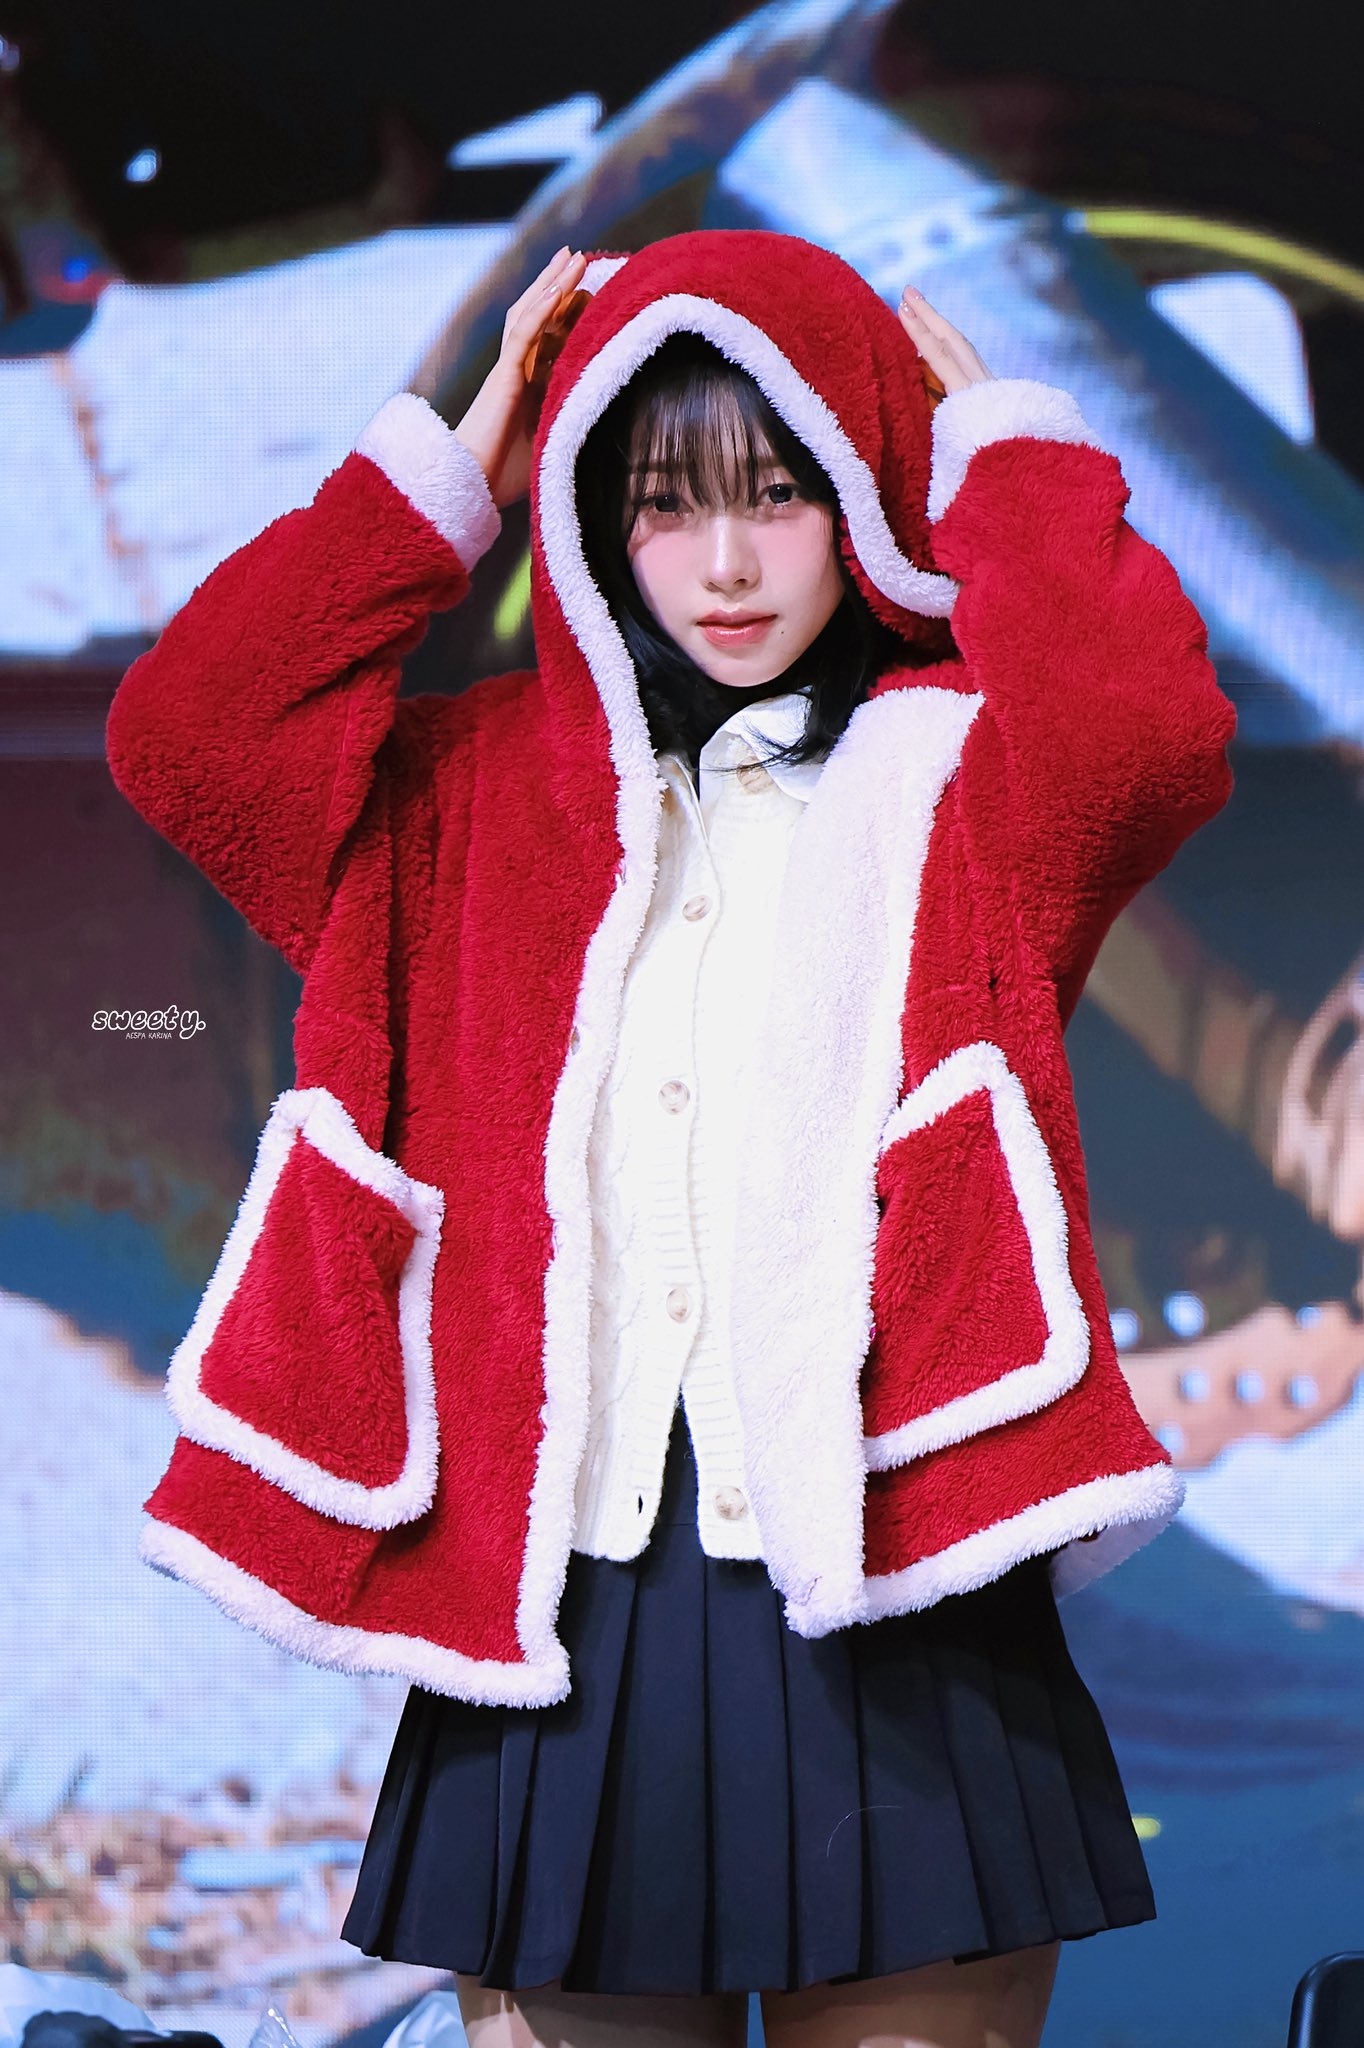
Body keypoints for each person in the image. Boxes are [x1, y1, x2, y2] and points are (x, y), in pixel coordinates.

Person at [105, 230, 1237, 2048]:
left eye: (779, 492)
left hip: (897, 1578)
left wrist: (1011, 465)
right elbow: (192, 737)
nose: (724, 564)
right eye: (663, 501)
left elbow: (1148, 739)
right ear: (582, 512)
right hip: (563, 1614)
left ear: (858, 488)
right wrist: (438, 480)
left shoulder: (954, 774)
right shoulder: (458, 798)